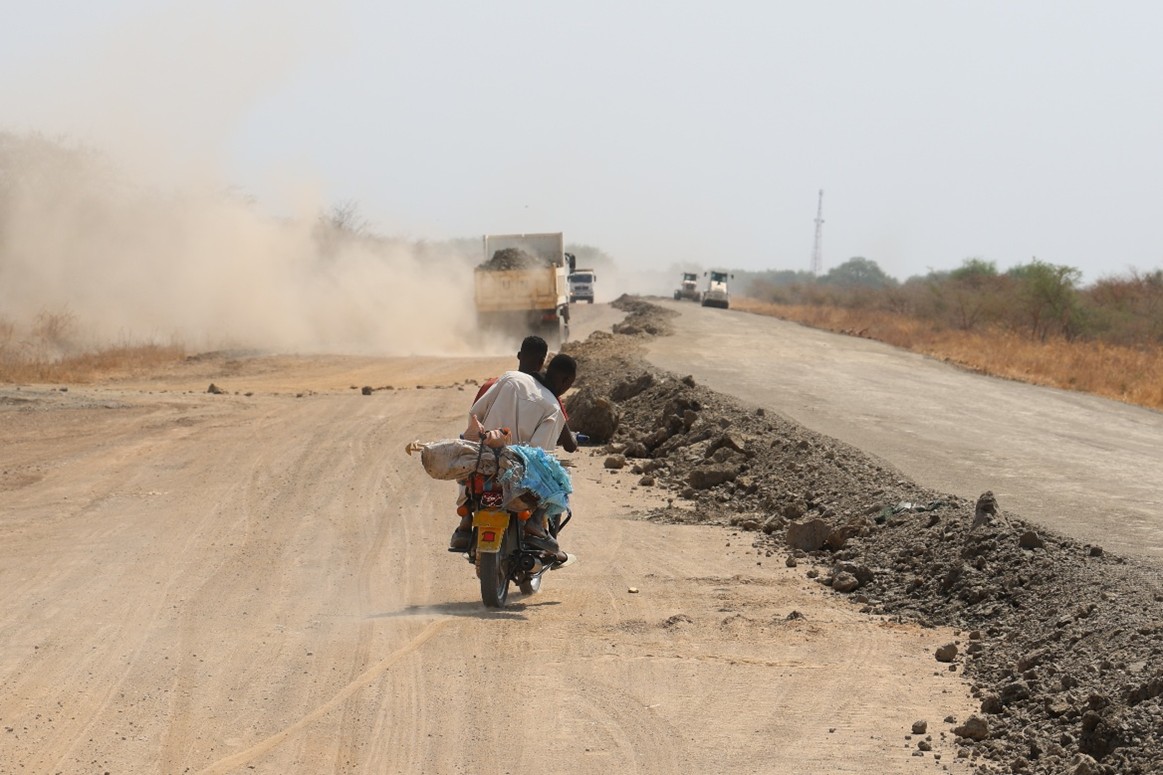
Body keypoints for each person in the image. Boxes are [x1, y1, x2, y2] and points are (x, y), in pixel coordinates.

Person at [449, 353, 578, 552]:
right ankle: (535, 523)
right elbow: (539, 454)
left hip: (486, 456)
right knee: (556, 477)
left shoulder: (510, 378)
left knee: (470, 461)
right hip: (517, 470)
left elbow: (475, 414)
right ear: (566, 381)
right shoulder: (553, 407)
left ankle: (466, 520)